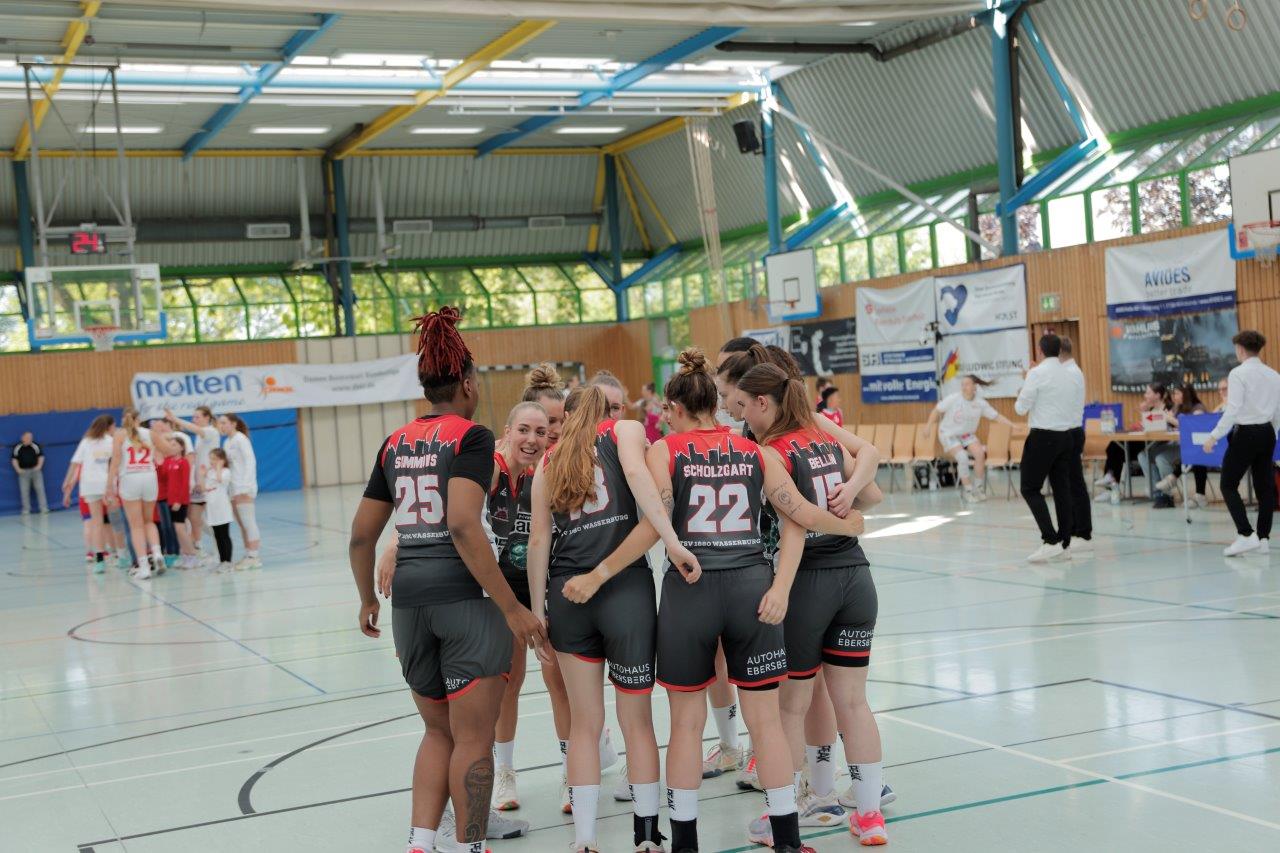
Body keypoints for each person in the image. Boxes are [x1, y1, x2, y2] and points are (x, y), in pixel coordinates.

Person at [648, 347, 866, 853]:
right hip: (752, 589)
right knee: (766, 721)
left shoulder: (665, 450)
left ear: (676, 408)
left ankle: (684, 843)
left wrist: (600, 572)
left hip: (690, 588)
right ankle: (787, 838)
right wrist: (845, 529)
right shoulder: (756, 451)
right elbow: (800, 518)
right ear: (717, 405)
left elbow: (653, 522)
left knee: (685, 724)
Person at [348, 306, 545, 853]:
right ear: (468, 383)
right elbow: (462, 523)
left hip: (409, 603)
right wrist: (512, 608)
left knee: (437, 731)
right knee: (474, 738)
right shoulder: (472, 438)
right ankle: (470, 843)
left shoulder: (395, 442)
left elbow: (361, 536)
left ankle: (420, 842)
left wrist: (366, 598)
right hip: (466, 602)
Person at [529, 383, 699, 853]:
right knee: (636, 722)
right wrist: (671, 540)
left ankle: (584, 837)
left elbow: (539, 540)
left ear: (567, 417)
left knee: (584, 724)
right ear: (608, 412)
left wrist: (538, 611)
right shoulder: (623, 431)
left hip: (567, 594)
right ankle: (645, 835)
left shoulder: (548, 461)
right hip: (624, 591)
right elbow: (638, 479)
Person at [732, 362, 889, 846]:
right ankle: (869, 815)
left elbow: (798, 517)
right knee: (854, 702)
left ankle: (787, 810)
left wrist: (832, 519)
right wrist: (847, 507)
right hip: (857, 579)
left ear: (763, 403)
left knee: (791, 707)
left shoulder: (771, 451)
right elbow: (873, 494)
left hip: (807, 585)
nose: (741, 416)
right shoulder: (824, 441)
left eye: (743, 406)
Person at [1203, 330, 1280, 557]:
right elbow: (1278, 410)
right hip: (1267, 432)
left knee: (1228, 484)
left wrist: (1214, 436)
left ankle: (1246, 534)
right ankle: (1263, 539)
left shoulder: (1237, 374)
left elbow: (1232, 410)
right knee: (1265, 488)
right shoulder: (1274, 374)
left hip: (1246, 433)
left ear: (1240, 349)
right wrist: (1273, 432)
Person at [1015, 334, 1085, 563]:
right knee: (1062, 490)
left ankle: (1050, 540)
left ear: (1040, 350)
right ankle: (1065, 544)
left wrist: (1026, 382)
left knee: (1029, 488)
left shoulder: (1036, 373)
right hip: (1065, 436)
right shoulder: (1069, 373)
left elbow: (1020, 408)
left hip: (1043, 436)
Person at [106, 407, 169, 579]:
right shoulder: (150, 434)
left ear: (123, 419)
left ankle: (144, 566)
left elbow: (116, 461)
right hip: (149, 477)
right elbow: (169, 450)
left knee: (136, 526)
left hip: (130, 478)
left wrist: (109, 486)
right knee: (149, 521)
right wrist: (163, 437)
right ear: (139, 419)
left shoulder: (119, 435)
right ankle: (157, 553)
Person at [926, 375, 1012, 501]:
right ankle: (968, 491)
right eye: (962, 384)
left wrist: (1012, 425)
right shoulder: (954, 398)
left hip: (966, 434)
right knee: (962, 457)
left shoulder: (980, 403)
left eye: (967, 384)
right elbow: (937, 410)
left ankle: (978, 488)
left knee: (980, 454)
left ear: (975, 387)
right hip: (948, 433)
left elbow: (996, 416)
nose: (964, 387)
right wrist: (928, 427)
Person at [166, 406, 221, 559]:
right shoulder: (199, 437)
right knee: (193, 517)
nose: (194, 420)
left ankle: (218, 546)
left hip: (210, 482)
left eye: (197, 417)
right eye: (193, 417)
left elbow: (193, 428)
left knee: (211, 517)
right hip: (200, 482)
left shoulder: (210, 431)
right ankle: (200, 545)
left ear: (207, 418)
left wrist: (174, 419)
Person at [63, 415, 115, 571]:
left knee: (96, 523)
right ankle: (119, 554)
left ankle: (99, 560)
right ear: (109, 427)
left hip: (89, 486)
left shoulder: (86, 442)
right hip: (106, 485)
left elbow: (75, 463)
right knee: (113, 522)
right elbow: (116, 463)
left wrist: (67, 481)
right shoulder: (111, 441)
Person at [1059, 338, 1094, 555]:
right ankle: (1072, 529)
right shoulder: (1066, 372)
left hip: (1072, 431)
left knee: (1075, 484)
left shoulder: (1071, 373)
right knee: (1067, 485)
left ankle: (1084, 532)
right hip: (1065, 432)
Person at [218, 414, 261, 570]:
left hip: (243, 487)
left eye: (224, 423)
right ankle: (248, 553)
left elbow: (250, 461)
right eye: (220, 423)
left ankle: (254, 556)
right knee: (242, 523)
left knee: (248, 521)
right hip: (233, 488)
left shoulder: (241, 439)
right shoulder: (227, 442)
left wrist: (246, 486)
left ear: (233, 424)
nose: (221, 426)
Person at [1168, 383, 1210, 508]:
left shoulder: (1198, 408)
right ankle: (1169, 484)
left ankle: (1173, 478)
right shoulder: (1178, 407)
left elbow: (1193, 426)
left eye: (1177, 393)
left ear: (1185, 394)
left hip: (1203, 447)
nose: (1174, 396)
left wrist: (1170, 419)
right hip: (1180, 445)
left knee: (1197, 453)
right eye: (1173, 393)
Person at [204, 448, 236, 572]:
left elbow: (219, 480)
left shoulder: (226, 472)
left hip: (222, 508)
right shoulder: (210, 472)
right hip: (212, 509)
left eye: (215, 459)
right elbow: (205, 488)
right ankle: (222, 561)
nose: (211, 461)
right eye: (210, 459)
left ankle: (228, 561)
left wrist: (219, 467)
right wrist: (203, 474)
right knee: (217, 535)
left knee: (224, 535)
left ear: (222, 460)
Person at [11, 431, 48, 514]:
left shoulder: (35, 446)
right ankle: (26, 509)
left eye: (30, 438)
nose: (29, 439)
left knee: (40, 489)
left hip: (35, 471)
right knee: (24, 491)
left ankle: (44, 508)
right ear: (22, 438)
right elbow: (14, 459)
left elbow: (41, 456)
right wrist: (18, 469)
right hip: (23, 472)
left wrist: (39, 466)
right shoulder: (17, 447)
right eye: (27, 437)